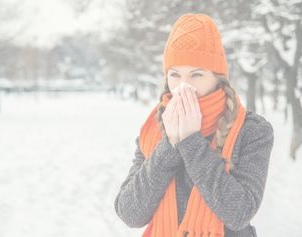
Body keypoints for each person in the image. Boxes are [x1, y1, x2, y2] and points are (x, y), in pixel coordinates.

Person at [114, 13, 274, 237]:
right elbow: (130, 213)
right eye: (175, 75)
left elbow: (239, 212)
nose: (183, 87)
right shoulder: (153, 130)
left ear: (218, 77)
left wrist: (190, 141)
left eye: (196, 74)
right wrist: (169, 144)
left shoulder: (252, 130)